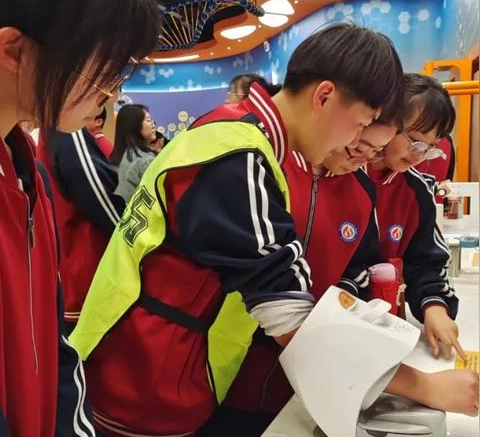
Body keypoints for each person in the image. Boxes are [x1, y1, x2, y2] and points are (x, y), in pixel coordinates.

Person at [70, 24, 478, 437]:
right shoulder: (239, 156)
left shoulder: (234, 133)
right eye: (359, 126)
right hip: (146, 377)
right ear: (324, 97)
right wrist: (423, 385)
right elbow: (294, 322)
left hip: (154, 364)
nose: (357, 144)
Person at [0, 0, 160, 434]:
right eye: (101, 72)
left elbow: (55, 348)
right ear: (13, 50)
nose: (109, 94)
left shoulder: (30, 178)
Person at [201, 119, 400, 436]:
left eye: (376, 151)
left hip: (306, 376)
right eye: (359, 145)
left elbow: (359, 267)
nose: (364, 159)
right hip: (225, 366)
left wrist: (337, 303)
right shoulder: (263, 168)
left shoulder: (362, 191)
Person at [367, 73, 465, 360]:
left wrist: (434, 306)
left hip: (389, 327)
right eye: (416, 142)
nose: (419, 155)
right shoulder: (342, 174)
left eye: (432, 148)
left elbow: (425, 261)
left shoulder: (417, 190)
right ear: (385, 121)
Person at [37, 108, 126, 328]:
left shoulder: (49, 129)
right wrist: (132, 239)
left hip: (70, 270)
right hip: (89, 269)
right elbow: (101, 196)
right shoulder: (67, 127)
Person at [110, 103, 158, 203]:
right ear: (135, 126)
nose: (153, 125)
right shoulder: (146, 160)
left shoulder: (116, 157)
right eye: (149, 120)